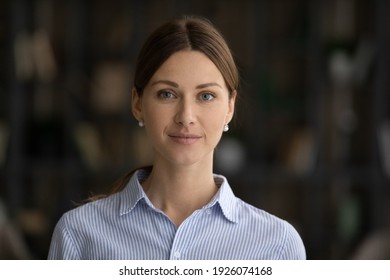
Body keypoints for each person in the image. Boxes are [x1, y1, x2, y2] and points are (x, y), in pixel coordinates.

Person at [48, 15, 306, 260]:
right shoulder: (78, 234)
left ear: (230, 107)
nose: (186, 117)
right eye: (167, 94)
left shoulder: (278, 245)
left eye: (206, 96)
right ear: (138, 104)